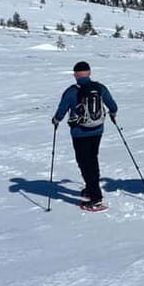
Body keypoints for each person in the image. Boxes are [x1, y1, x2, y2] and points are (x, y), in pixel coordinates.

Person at [52, 61, 118, 211]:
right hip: (97, 130)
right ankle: (90, 189)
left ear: (75, 75)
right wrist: (112, 114)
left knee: (85, 163)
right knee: (92, 160)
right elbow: (113, 106)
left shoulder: (71, 91)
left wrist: (56, 120)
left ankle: (95, 199)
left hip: (79, 132)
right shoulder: (100, 88)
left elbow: (62, 110)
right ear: (89, 73)